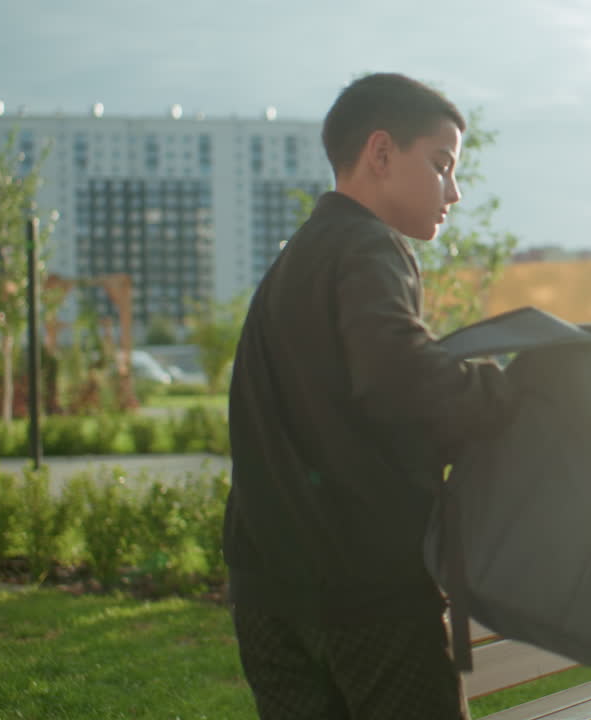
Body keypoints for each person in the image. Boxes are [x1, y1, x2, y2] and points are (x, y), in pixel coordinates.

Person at [223, 72, 513, 720]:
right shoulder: (370, 243)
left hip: (269, 591)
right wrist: (502, 393)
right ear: (381, 153)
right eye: (442, 165)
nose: (454, 191)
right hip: (364, 593)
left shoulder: (293, 261)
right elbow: (396, 376)